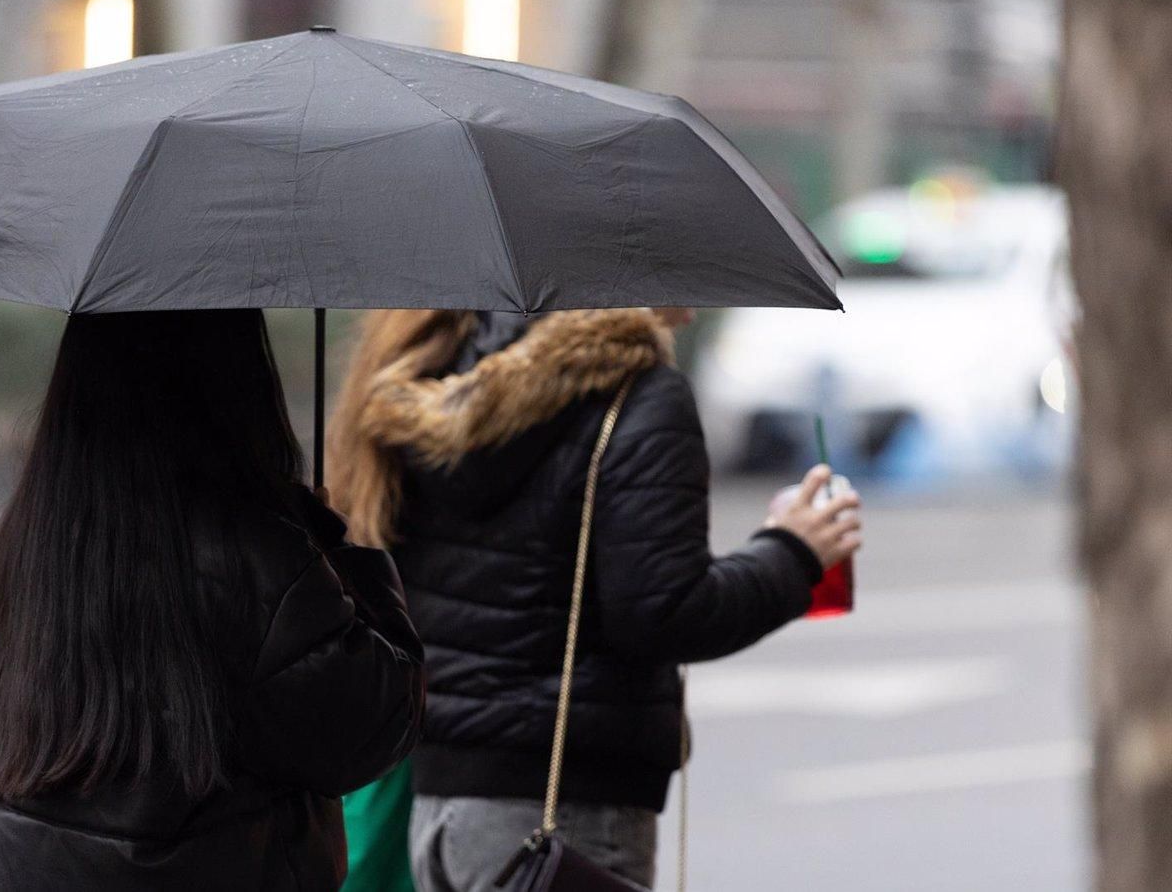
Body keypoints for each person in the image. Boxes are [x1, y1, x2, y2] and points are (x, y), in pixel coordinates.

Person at [327, 307, 862, 891]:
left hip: (442, 814)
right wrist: (794, 551)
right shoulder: (634, 393)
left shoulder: (426, 381)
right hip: (567, 816)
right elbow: (664, 611)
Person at [0, 310, 425, 891]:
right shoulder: (257, 555)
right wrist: (337, 552)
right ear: (235, 384)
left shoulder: (38, 536)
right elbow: (372, 728)